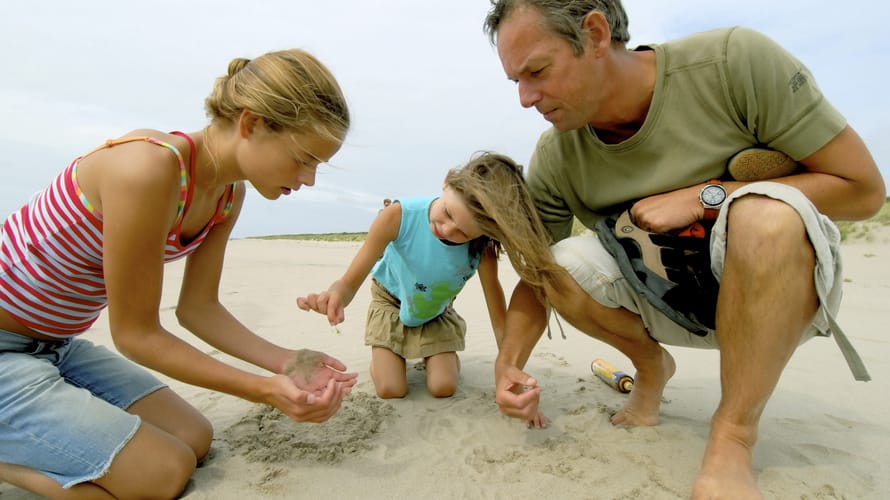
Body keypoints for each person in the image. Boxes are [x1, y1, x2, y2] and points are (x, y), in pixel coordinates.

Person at [482, 1, 886, 498]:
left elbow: (863, 191)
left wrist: (705, 196)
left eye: (537, 71)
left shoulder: (734, 63)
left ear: (594, 33)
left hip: (781, 297)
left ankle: (732, 439)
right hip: (665, 302)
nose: (526, 98)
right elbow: (537, 276)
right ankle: (652, 371)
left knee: (766, 213)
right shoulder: (557, 155)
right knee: (559, 264)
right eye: (515, 81)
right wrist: (509, 366)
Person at [0, 48, 358, 499]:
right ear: (251, 124)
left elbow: (198, 308)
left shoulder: (228, 196)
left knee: (193, 437)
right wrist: (265, 390)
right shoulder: (146, 168)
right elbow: (135, 335)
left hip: (55, 346)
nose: (309, 179)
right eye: (304, 158)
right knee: (161, 474)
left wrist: (287, 362)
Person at [298, 153, 555, 403]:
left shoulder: (482, 248)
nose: (446, 230)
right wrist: (335, 296)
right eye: (449, 213)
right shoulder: (397, 216)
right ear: (448, 181)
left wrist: (508, 365)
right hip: (390, 302)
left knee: (443, 386)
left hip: (436, 310)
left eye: (463, 233)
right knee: (391, 388)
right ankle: (384, 353)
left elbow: (497, 313)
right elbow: (349, 283)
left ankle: (438, 353)